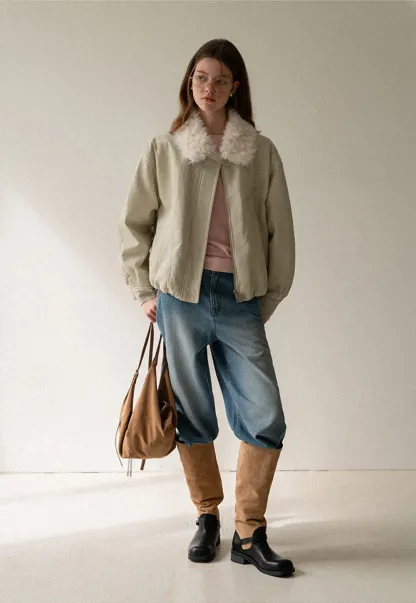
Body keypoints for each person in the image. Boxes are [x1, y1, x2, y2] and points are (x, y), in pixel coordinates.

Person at [117, 38, 296, 578]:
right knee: (192, 414)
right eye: (200, 77)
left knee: (265, 415)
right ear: (189, 82)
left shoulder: (259, 151)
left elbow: (280, 230)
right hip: (180, 298)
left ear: (235, 86)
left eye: (219, 80)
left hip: (239, 298)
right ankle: (208, 517)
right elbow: (136, 224)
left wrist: (268, 295)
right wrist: (145, 291)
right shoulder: (165, 149)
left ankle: (250, 531)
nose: (208, 88)